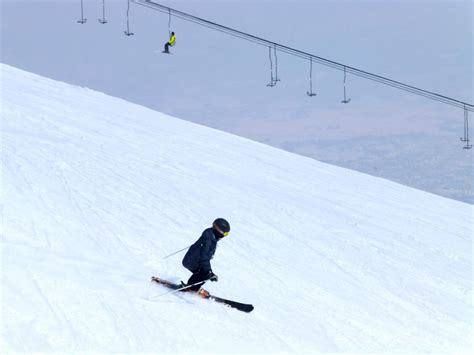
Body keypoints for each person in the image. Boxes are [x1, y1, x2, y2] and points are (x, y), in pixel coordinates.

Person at [182, 218, 230, 296]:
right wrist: (209, 272)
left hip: (193, 260)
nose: (224, 236)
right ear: (218, 230)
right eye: (225, 234)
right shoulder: (209, 240)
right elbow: (204, 258)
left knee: (203, 273)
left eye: (226, 234)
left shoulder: (211, 236)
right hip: (192, 261)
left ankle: (191, 286)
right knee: (205, 274)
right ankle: (191, 287)